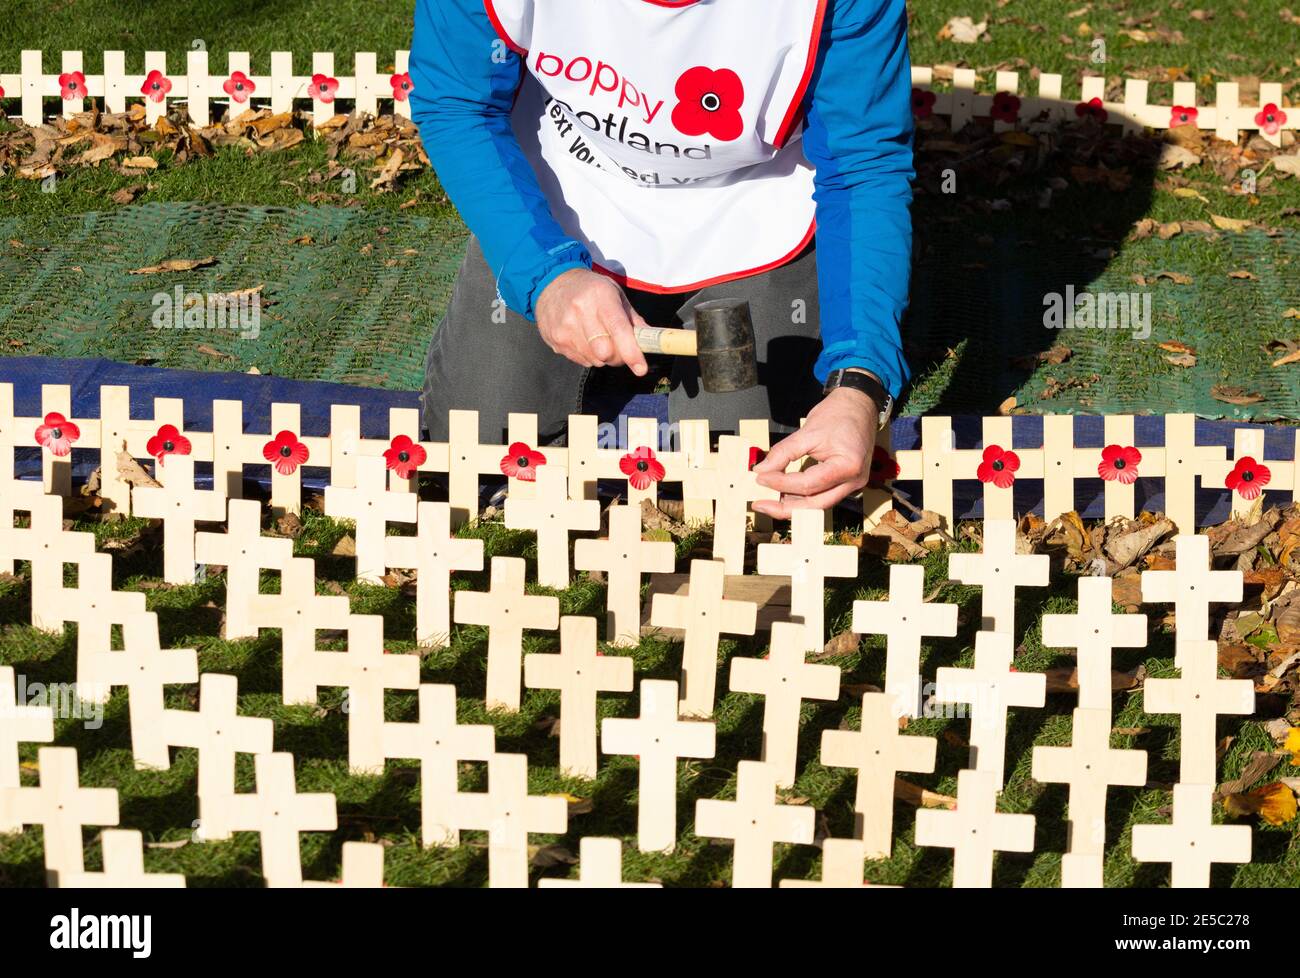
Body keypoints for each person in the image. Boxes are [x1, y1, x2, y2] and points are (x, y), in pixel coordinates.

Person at [409, 0, 914, 517]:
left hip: (757, 214)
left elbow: (864, 166)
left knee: (751, 479)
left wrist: (860, 382)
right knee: (478, 446)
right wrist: (544, 275)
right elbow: (456, 102)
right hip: (569, 188)